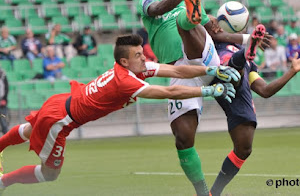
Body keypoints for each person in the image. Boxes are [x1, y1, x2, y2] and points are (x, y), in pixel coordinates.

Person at [0, 34, 240, 194]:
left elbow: (174, 69)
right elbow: (168, 90)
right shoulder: (125, 81)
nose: (144, 58)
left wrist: (211, 69)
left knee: (29, 129)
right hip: (60, 120)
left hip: (61, 101)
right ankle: (3, 182)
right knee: (50, 174)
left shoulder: (135, 68)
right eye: (138, 55)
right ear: (125, 61)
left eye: (142, 53)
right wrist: (207, 89)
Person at [138, 0, 253, 196]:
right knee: (182, 138)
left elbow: (218, 32)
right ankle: (203, 193)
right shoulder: (148, 0)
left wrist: (248, 39)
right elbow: (155, 10)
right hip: (179, 72)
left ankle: (194, 21)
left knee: (188, 24)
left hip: (203, 57)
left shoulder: (183, 3)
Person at [210, 24, 300, 195]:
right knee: (233, 74)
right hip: (220, 65)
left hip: (235, 68)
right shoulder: (218, 42)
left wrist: (292, 71)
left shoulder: (250, 63)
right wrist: (211, 22)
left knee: (244, 149)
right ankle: (213, 193)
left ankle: (213, 193)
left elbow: (264, 90)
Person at [0, 67, 8, 135]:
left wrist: (4, 99)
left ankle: (6, 135)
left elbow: (6, 87)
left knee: (2, 118)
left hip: (1, 100)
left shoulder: (3, 75)